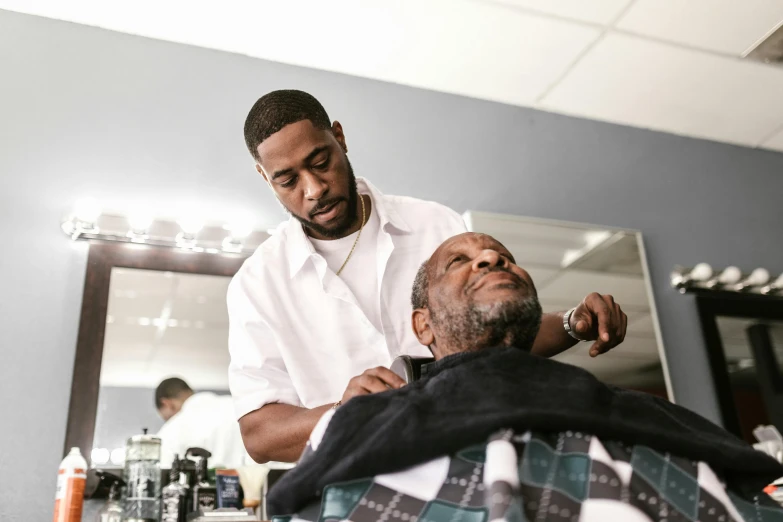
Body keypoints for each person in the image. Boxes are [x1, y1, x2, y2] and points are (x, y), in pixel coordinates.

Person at [228, 89, 630, 464]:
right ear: (266, 178)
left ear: (339, 137)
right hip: (358, 486)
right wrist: (342, 413)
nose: (314, 188)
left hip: (474, 462)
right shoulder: (258, 284)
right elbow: (259, 435)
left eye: (321, 163)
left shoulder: (434, 225)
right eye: (288, 179)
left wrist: (571, 324)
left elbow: (495, 338)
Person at [267, 232, 783, 522]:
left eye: (503, 257)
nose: (492, 258)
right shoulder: (369, 417)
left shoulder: (628, 408)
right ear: (422, 325)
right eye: (459, 262)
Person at [155, 377, 250, 469]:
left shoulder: (171, 429)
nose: (169, 420)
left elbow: (162, 474)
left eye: (166, 418)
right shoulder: (239, 407)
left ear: (167, 404)